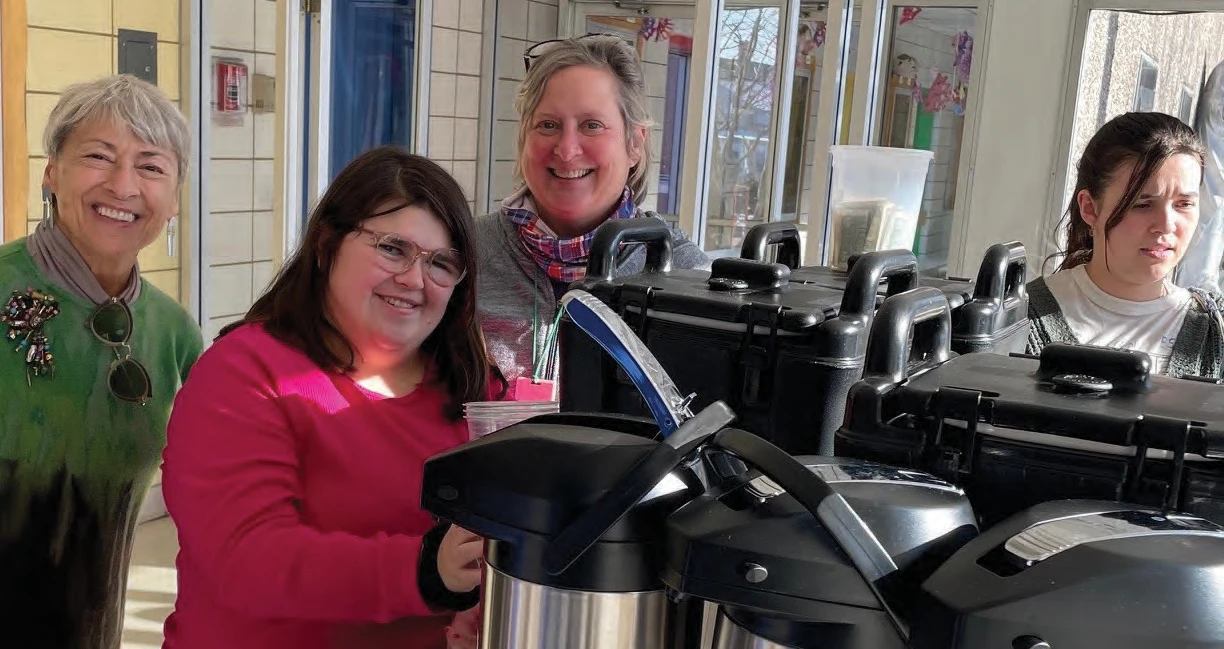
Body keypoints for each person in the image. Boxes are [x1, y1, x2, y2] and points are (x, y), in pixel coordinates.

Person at [161, 147, 504, 649]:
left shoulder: (476, 389)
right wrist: (427, 570)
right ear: (327, 245)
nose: (413, 279)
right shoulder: (243, 375)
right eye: (392, 248)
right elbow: (248, 560)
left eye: (441, 263)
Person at [0, 74, 202, 648]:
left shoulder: (173, 333)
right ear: (51, 170)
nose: (123, 185)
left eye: (151, 166)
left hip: (89, 623)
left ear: (175, 196)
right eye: (98, 156)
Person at [474, 35, 709, 390]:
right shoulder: (464, 255)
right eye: (548, 125)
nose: (567, 151)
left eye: (592, 125)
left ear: (634, 144)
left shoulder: (687, 277)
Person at [1028, 111, 1224, 377]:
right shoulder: (1023, 318)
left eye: (1184, 204)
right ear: (1089, 208)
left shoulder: (1213, 332)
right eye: (1142, 204)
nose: (1166, 225)